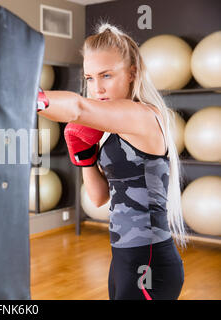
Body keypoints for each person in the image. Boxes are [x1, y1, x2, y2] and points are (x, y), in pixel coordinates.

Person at [38, 23, 185, 300]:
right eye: (90, 78)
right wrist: (85, 158)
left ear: (132, 74)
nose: (97, 88)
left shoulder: (142, 115)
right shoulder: (114, 127)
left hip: (149, 260)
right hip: (123, 257)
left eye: (106, 75)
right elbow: (98, 197)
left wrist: (29, 99)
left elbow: (78, 107)